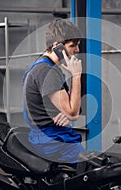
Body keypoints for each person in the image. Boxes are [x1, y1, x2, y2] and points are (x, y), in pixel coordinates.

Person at [22, 19, 85, 165]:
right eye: (73, 46)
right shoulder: (45, 71)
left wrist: (68, 114)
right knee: (90, 172)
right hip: (53, 141)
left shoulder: (45, 66)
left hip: (53, 136)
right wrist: (76, 75)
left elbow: (68, 109)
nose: (77, 50)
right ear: (57, 46)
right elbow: (73, 112)